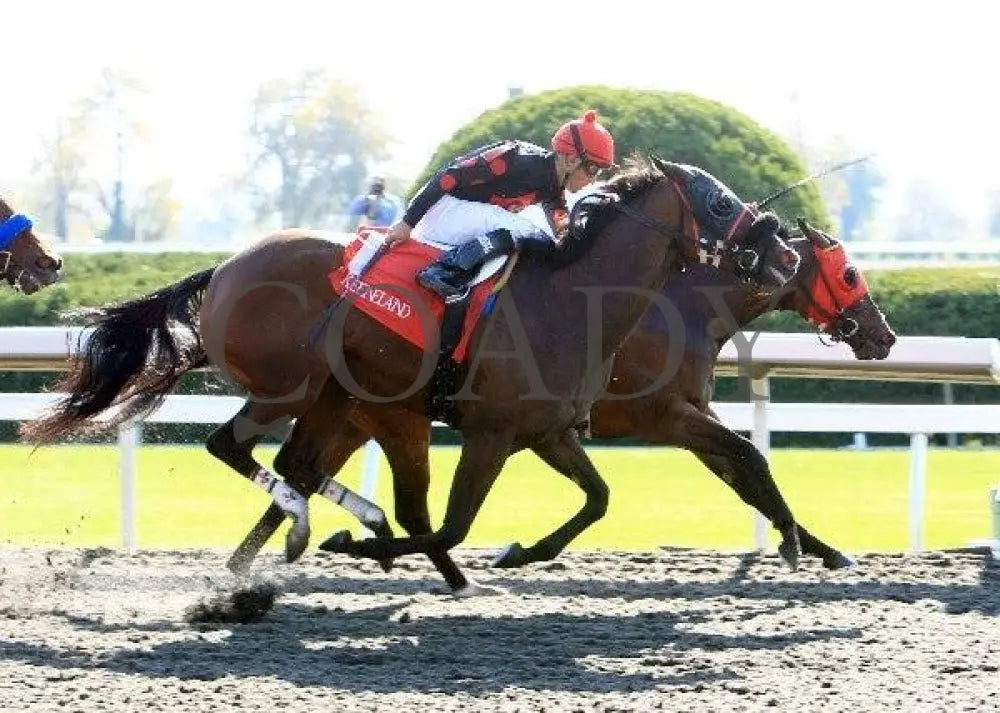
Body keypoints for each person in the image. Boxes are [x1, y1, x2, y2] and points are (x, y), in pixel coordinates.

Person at [385, 110, 615, 300]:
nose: (593, 179)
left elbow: (561, 226)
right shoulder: (513, 157)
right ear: (571, 159)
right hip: (441, 213)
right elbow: (446, 177)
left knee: (541, 239)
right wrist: (407, 222)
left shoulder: (552, 187)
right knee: (524, 229)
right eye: (593, 169)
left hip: (464, 225)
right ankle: (443, 271)